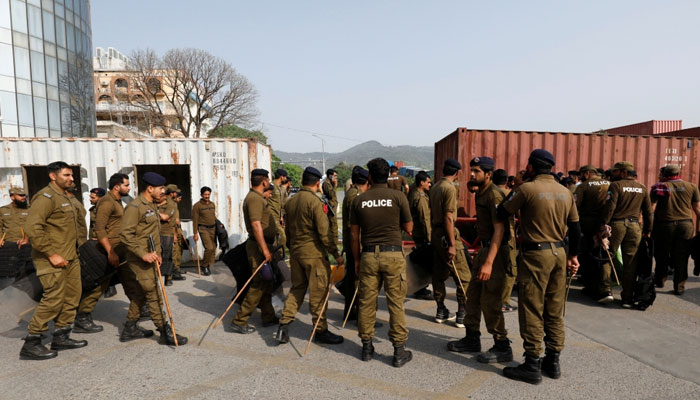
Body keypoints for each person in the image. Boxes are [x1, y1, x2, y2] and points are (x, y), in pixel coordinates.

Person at [497, 149, 580, 384]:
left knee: (532, 307)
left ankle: (532, 363)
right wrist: (573, 256)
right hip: (559, 254)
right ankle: (552, 360)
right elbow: (575, 229)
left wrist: (519, 187)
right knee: (554, 309)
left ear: (531, 167)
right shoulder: (565, 192)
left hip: (536, 255)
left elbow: (501, 210)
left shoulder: (526, 189)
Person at [448, 157, 516, 364]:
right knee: (473, 295)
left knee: (491, 300)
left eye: (476, 171)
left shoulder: (494, 194)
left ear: (488, 174)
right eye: (471, 170)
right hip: (485, 250)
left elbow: (500, 229)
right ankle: (472, 338)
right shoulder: (482, 192)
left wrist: (488, 262)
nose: (471, 174)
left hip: (495, 252)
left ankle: (502, 345)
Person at [20, 162, 88, 360]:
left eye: (72, 175)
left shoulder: (68, 197)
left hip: (71, 256)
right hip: (52, 258)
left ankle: (61, 336)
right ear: (52, 176)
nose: (71, 178)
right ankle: (32, 342)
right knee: (53, 298)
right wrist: (51, 254)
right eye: (66, 175)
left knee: (72, 297)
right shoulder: (45, 197)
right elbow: (33, 228)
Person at [350, 158, 413, 367]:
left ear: (369, 176)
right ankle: (398, 351)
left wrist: (357, 259)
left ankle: (367, 347)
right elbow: (409, 227)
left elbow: (353, 234)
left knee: (367, 302)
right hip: (393, 254)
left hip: (368, 255)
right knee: (395, 302)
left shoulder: (359, 200)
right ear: (388, 176)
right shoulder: (398, 197)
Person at [275, 167, 345, 345]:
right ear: (317, 183)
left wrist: (292, 247)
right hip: (313, 254)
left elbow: (287, 230)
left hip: (297, 253)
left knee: (297, 289)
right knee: (319, 293)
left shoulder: (291, 201)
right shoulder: (315, 202)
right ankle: (320, 330)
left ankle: (283, 325)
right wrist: (335, 254)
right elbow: (324, 233)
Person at [120, 172, 187, 345]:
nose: (163, 191)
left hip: (152, 257)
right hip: (140, 259)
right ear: (150, 188)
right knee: (154, 294)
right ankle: (165, 332)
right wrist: (144, 254)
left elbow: (150, 232)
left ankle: (129, 327)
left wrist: (157, 254)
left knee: (141, 294)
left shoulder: (152, 205)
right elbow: (125, 235)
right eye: (160, 188)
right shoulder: (135, 207)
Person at [230, 169, 279, 333]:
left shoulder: (256, 197)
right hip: (259, 246)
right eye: (268, 180)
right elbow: (256, 225)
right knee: (259, 283)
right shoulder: (255, 199)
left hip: (262, 244)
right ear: (264, 182)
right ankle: (240, 320)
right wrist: (264, 249)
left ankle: (268, 316)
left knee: (266, 282)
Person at [600, 161, 653, 308]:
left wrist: (602, 226)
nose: (613, 174)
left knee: (607, 256)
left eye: (615, 171)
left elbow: (610, 207)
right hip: (635, 226)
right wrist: (647, 230)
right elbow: (648, 212)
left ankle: (606, 291)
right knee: (631, 262)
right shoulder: (642, 188)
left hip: (617, 225)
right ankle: (627, 297)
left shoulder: (616, 186)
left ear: (623, 172)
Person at [430, 158, 471, 326]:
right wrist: (453, 245)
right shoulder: (450, 188)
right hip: (447, 234)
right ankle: (462, 312)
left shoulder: (435, 187)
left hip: (436, 233)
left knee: (438, 274)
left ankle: (441, 309)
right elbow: (448, 216)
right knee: (464, 276)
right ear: (457, 173)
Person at [650, 164, 700, 294]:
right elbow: (697, 209)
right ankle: (679, 287)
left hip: (664, 225)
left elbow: (651, 208)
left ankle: (660, 280)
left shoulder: (659, 187)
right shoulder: (692, 186)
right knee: (682, 257)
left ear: (665, 175)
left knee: (662, 254)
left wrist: (646, 226)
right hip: (685, 225)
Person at [574, 165, 612, 303]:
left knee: (588, 255)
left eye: (581, 174)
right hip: (606, 224)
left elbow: (575, 205)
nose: (580, 177)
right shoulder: (610, 184)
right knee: (604, 254)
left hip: (588, 224)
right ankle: (605, 287)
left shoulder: (584, 186)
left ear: (587, 173)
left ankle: (591, 286)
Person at [339, 166, 371, 320]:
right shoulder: (356, 196)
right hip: (355, 244)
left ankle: (350, 312)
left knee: (353, 278)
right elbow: (354, 227)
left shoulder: (352, 193)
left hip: (353, 243)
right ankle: (357, 313)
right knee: (357, 280)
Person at [492, 169, 517, 311]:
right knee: (510, 270)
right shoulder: (509, 194)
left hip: (491, 235)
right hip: (507, 236)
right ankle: (503, 301)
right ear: (507, 181)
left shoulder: (488, 193)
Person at [407, 171, 433, 300]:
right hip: (422, 234)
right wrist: (429, 238)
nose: (430, 184)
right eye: (428, 182)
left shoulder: (413, 193)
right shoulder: (421, 197)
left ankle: (420, 288)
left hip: (417, 232)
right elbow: (425, 219)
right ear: (421, 183)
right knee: (424, 263)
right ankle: (421, 288)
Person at [158, 184, 179, 286]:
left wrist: (154, 212)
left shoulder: (171, 204)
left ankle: (168, 276)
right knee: (157, 254)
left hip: (166, 232)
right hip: (155, 232)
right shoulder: (153, 203)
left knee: (167, 255)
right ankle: (158, 275)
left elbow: (166, 217)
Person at [192, 186, 217, 276]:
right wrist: (195, 233)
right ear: (201, 195)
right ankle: (204, 266)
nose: (207, 196)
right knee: (209, 248)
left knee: (213, 248)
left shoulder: (212, 204)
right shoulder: (197, 206)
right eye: (205, 194)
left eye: (208, 194)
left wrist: (219, 225)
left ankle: (211, 266)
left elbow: (213, 216)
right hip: (203, 229)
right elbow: (195, 220)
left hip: (213, 228)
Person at [269, 168, 289, 253]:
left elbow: (280, 203)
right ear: (281, 177)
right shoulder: (272, 186)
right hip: (272, 215)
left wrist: (281, 216)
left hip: (277, 215)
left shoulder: (279, 188)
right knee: (282, 235)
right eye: (285, 177)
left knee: (276, 237)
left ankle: (275, 254)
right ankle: (280, 254)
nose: (286, 179)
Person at [170, 190, 186, 281]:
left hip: (178, 229)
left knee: (179, 249)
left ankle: (177, 268)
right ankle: (174, 271)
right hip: (173, 230)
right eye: (179, 198)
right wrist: (174, 234)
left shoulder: (175, 206)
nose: (180, 199)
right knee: (174, 251)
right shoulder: (170, 206)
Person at [321, 169, 339, 247]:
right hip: (331, 208)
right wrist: (335, 186)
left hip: (333, 207)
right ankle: (333, 244)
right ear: (330, 176)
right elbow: (331, 195)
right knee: (333, 227)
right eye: (334, 176)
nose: (336, 178)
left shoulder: (329, 184)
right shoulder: (326, 184)